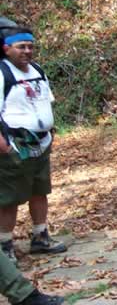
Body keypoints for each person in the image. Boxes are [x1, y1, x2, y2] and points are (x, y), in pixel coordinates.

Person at [0, 27, 67, 264]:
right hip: (15, 144)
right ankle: (4, 246)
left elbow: (44, 101)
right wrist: (3, 144)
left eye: (30, 47)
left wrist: (49, 131)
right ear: (6, 48)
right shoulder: (2, 74)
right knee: (9, 197)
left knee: (40, 190)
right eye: (21, 47)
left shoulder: (37, 70)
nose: (27, 51)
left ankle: (40, 236)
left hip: (41, 142)